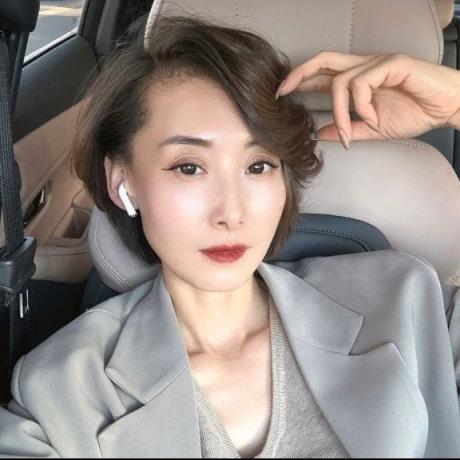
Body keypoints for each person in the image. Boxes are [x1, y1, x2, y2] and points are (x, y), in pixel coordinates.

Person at [0, 14, 460, 458]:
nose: (231, 213)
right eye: (189, 167)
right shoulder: (62, 389)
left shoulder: (406, 299)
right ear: (124, 182)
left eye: (258, 166)